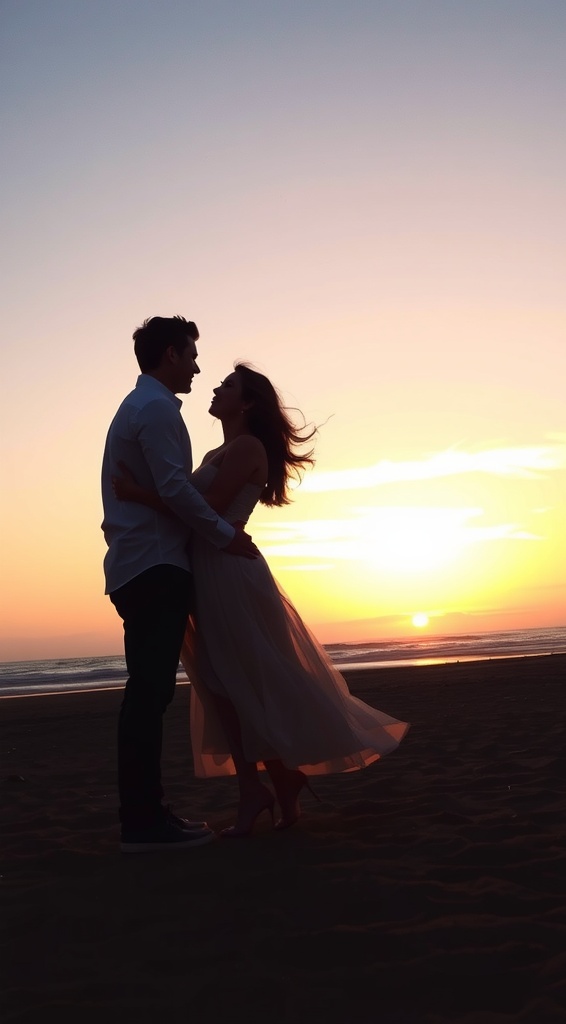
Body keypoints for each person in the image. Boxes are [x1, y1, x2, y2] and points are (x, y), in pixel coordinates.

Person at [114, 362, 409, 838]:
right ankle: (272, 782)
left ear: (247, 402)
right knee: (223, 682)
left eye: (228, 386)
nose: (215, 387)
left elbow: (204, 511)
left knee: (240, 678)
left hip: (229, 572)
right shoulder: (218, 449)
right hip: (207, 570)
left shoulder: (248, 447)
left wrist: (135, 494)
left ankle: (266, 784)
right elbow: (188, 504)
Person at [101, 316, 259, 854]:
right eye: (191, 355)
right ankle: (143, 822)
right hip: (154, 566)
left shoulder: (142, 407)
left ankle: (147, 814)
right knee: (148, 696)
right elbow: (175, 489)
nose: (196, 366)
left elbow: (154, 491)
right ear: (170, 355)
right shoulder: (156, 410)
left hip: (141, 563)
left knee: (149, 694)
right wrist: (223, 534)